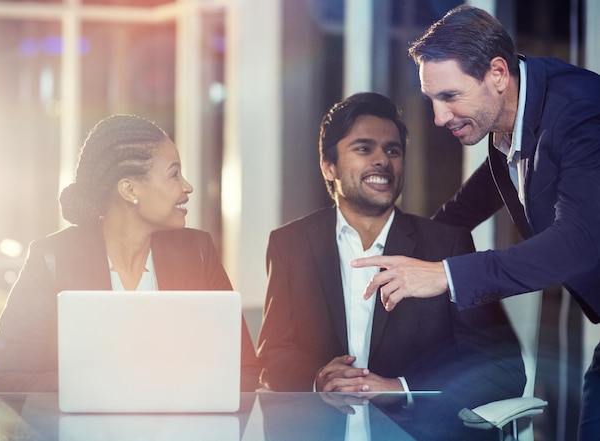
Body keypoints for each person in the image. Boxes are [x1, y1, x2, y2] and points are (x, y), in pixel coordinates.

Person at [351, 5, 600, 440]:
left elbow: (576, 243)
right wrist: (397, 259)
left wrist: (443, 274)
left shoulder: (581, 114)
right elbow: (458, 215)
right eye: (432, 99)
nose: (439, 117)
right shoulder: (510, 130)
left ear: (498, 74)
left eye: (450, 97)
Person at [256, 92, 526, 411]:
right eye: (363, 148)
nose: (382, 160)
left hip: (415, 429)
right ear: (329, 166)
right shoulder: (290, 244)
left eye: (392, 150)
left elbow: (502, 368)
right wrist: (317, 381)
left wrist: (403, 388)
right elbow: (273, 355)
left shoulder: (447, 246)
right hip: (320, 427)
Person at [0, 114, 260, 392]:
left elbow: (245, 373)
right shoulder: (51, 258)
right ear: (129, 190)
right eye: (174, 174)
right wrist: (111, 385)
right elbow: (4, 382)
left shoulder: (198, 253)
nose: (187, 187)